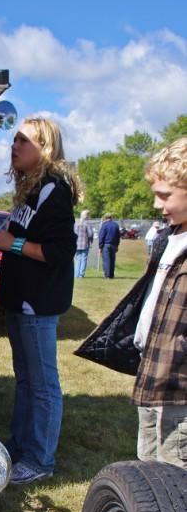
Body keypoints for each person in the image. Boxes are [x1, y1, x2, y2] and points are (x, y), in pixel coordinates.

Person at [75, 137, 187, 468]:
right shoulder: (170, 238)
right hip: (153, 374)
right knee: (149, 472)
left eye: (165, 195)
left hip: (180, 388)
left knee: (175, 472)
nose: (156, 204)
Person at [0, 117, 80, 484]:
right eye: (14, 140)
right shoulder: (32, 189)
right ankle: (19, 446)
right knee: (25, 380)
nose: (14, 146)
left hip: (37, 306)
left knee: (43, 385)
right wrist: (3, 237)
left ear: (45, 148)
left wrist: (15, 244)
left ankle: (40, 460)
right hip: (19, 301)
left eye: (23, 141)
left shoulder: (54, 190)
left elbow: (61, 250)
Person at [98, 212, 120, 278]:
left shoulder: (104, 225)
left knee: (106, 260)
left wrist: (100, 246)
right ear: (111, 217)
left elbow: (101, 236)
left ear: (105, 218)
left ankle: (107, 275)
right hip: (113, 245)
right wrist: (117, 245)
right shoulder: (116, 225)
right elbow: (118, 236)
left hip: (106, 245)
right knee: (112, 260)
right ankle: (111, 275)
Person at [74, 209, 93, 278]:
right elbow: (90, 234)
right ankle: (81, 274)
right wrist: (91, 241)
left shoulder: (76, 222)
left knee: (77, 259)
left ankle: (76, 274)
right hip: (85, 244)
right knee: (84, 258)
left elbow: (74, 233)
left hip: (76, 244)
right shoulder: (87, 223)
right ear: (87, 216)